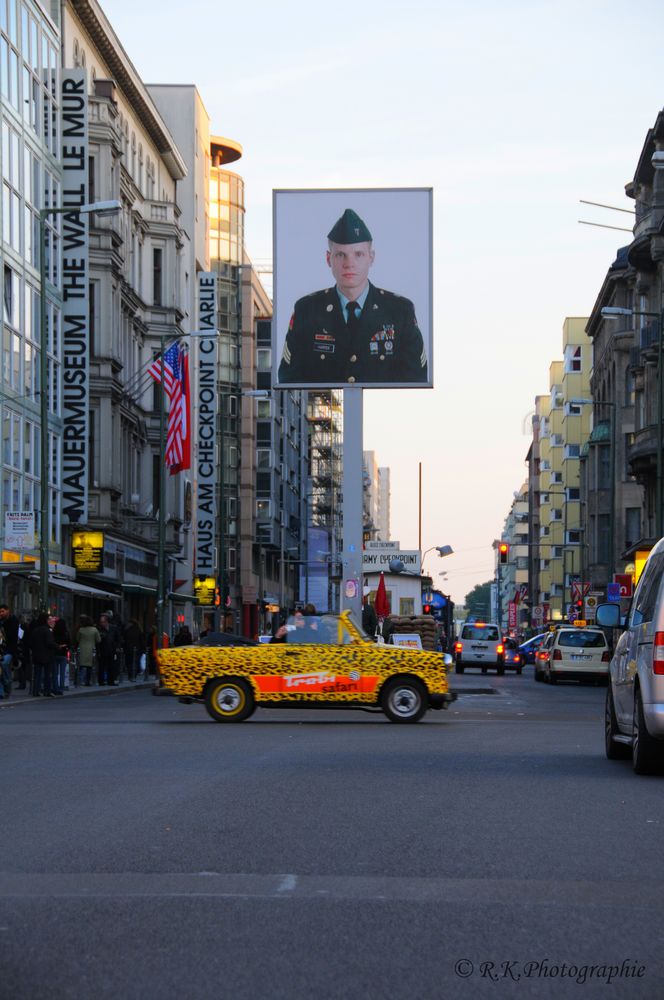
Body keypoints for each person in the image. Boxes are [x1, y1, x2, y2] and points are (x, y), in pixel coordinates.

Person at [277, 208, 428, 386]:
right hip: (326, 411)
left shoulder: (399, 311)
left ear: (371, 258)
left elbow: (415, 380)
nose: (349, 264)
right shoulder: (307, 310)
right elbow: (290, 380)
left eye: (358, 254)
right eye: (341, 254)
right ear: (328, 259)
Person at [30, 612, 57, 697]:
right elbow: (49, 643)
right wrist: (56, 646)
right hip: (47, 655)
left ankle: (36, 691)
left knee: (37, 674)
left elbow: (31, 643)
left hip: (36, 655)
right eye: (48, 619)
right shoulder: (47, 630)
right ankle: (47, 691)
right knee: (47, 674)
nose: (50, 621)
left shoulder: (35, 630)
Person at [0, 603, 20, 699]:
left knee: (4, 665)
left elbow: (12, 636)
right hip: (3, 648)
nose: (1, 613)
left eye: (2, 611)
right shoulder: (2, 621)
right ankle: (2, 691)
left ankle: (7, 689)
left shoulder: (13, 620)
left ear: (8, 610)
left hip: (9, 649)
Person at [76, 615, 101, 687]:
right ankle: (87, 681)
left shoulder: (81, 629)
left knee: (80, 665)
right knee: (89, 666)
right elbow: (99, 640)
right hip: (91, 649)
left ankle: (77, 680)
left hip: (82, 649)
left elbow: (77, 639)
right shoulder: (94, 629)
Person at [98, 613, 120, 686]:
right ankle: (101, 681)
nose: (102, 623)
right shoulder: (99, 629)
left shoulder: (113, 628)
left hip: (112, 650)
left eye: (103, 622)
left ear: (107, 621)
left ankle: (111, 681)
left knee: (111, 666)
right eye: (101, 622)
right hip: (102, 650)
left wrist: (117, 647)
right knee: (102, 666)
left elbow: (118, 638)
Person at [52, 616, 71, 694]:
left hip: (55, 653)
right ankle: (62, 687)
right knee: (62, 672)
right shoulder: (66, 633)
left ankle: (56, 687)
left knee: (55, 673)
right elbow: (69, 643)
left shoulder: (54, 633)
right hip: (63, 654)